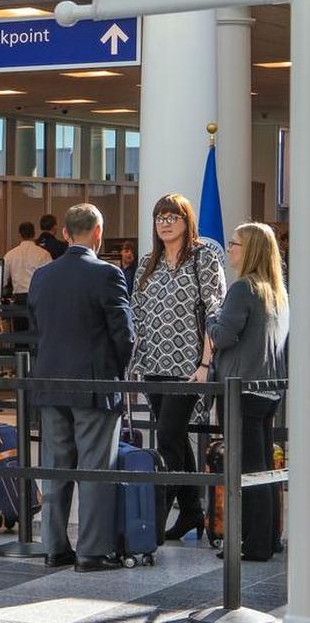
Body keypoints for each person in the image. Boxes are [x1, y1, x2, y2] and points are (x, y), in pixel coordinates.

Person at [29, 203, 135, 572]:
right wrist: (118, 370)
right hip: (94, 384)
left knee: (55, 467)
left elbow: (38, 327)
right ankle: (92, 551)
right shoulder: (108, 274)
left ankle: (54, 547)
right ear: (98, 232)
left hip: (49, 381)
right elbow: (125, 335)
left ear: (64, 233)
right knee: (95, 468)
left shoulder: (42, 276)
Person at [131, 193, 226, 540]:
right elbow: (137, 315)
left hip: (188, 366)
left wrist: (205, 362)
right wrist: (135, 362)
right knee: (174, 439)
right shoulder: (146, 263)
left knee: (168, 435)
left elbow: (215, 313)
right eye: (160, 217)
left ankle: (155, 519)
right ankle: (191, 512)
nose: (165, 222)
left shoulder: (204, 257)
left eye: (173, 216)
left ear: (187, 221)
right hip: (154, 363)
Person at [206, 223, 288, 561]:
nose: (230, 249)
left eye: (234, 244)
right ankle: (267, 539)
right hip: (269, 389)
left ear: (250, 249)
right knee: (264, 467)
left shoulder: (243, 289)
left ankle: (254, 545)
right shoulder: (277, 292)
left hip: (242, 388)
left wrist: (211, 317)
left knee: (248, 470)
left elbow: (223, 337)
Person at [3, 221, 51, 332]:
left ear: (19, 235)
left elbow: (3, 281)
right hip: (38, 299)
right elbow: (50, 279)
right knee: (37, 335)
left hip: (19, 300)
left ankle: (20, 349)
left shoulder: (10, 255)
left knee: (20, 336)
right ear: (34, 234)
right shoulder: (43, 254)